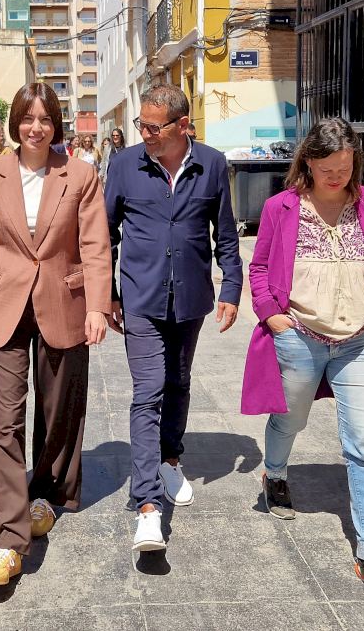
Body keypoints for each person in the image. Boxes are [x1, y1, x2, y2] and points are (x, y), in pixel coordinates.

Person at [241, 117, 364, 612]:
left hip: (361, 341)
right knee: (290, 419)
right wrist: (271, 316)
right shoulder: (281, 207)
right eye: (328, 168)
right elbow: (260, 266)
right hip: (299, 336)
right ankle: (275, 473)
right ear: (308, 162)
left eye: (346, 167)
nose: (338, 176)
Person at [0, 82, 112, 587]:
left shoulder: (80, 174)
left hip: (63, 300)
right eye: (27, 118)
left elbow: (96, 245)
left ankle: (45, 493)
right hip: (2, 303)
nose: (35, 127)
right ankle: (5, 539)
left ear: (56, 124)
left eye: (44, 119)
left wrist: (98, 306)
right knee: (5, 423)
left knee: (59, 409)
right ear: (15, 123)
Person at [104, 84, 242, 554]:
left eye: (153, 127)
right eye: (141, 125)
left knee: (179, 380)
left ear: (183, 125)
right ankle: (147, 505)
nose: (144, 133)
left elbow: (226, 233)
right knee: (148, 392)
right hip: (140, 298)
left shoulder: (212, 165)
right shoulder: (124, 165)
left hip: (189, 297)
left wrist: (231, 288)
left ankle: (169, 458)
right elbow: (105, 234)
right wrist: (109, 294)